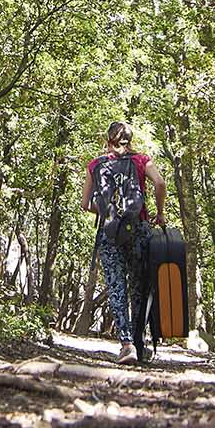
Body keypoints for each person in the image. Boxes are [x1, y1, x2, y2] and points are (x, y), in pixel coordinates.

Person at [82, 120, 166, 361]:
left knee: (116, 284)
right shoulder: (141, 160)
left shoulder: (95, 165)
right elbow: (160, 183)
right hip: (138, 227)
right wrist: (158, 214)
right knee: (139, 285)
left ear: (107, 140)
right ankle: (140, 343)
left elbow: (85, 204)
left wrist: (109, 210)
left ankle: (126, 344)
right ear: (131, 140)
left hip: (109, 232)